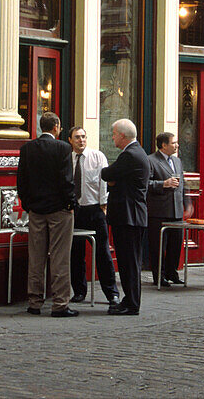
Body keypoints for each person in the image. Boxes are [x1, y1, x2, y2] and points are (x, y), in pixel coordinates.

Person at [16, 112, 77, 317]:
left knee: (36, 256)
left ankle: (34, 302)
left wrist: (28, 204)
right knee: (60, 257)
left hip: (36, 210)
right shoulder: (63, 148)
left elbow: (21, 181)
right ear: (56, 126)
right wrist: (70, 203)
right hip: (59, 209)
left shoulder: (27, 149)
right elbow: (66, 179)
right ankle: (60, 304)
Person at [66, 126, 119, 306]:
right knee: (75, 253)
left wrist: (104, 205)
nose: (81, 140)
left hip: (94, 210)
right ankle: (79, 291)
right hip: (75, 211)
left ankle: (111, 292)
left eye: (83, 137)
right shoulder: (67, 159)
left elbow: (104, 182)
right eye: (77, 137)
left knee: (102, 252)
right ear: (70, 140)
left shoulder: (97, 157)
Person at [101, 118, 149, 315]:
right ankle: (130, 300)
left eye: (113, 134)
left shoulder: (130, 155)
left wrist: (113, 180)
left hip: (129, 217)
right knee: (129, 261)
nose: (112, 137)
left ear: (122, 135)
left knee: (129, 262)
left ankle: (131, 303)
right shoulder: (136, 153)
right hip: (131, 215)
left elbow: (107, 173)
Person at [146, 132, 185, 287]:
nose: (177, 145)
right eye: (174, 143)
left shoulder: (177, 161)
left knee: (176, 245)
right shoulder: (150, 161)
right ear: (164, 145)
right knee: (158, 246)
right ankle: (159, 276)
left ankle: (172, 272)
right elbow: (146, 184)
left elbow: (183, 183)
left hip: (176, 211)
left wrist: (186, 203)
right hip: (159, 211)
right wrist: (163, 184)